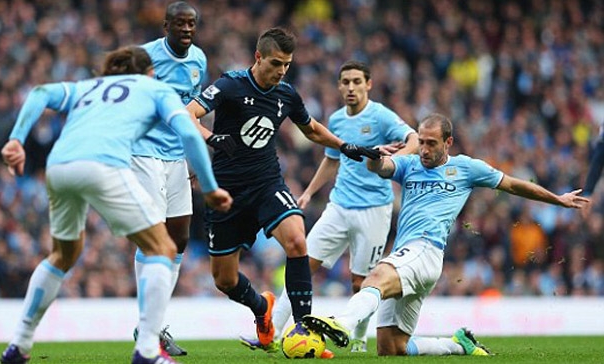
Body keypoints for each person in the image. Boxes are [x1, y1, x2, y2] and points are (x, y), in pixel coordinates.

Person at [0, 46, 232, 364]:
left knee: (62, 254)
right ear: (149, 72)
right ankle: (148, 350)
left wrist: (16, 138)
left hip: (60, 167)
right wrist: (210, 186)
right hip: (104, 165)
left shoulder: (88, 87)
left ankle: (19, 344)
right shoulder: (154, 88)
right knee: (162, 248)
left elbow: (40, 92)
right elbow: (190, 134)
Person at [302, 113, 589, 357]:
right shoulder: (409, 164)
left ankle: (342, 323)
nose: (423, 150)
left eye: (431, 143)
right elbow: (382, 167)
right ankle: (458, 345)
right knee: (392, 348)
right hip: (410, 256)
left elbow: (514, 185)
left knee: (375, 276)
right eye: (421, 142)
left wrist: (558, 199)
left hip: (427, 249)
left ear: (448, 142)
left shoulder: (466, 168)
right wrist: (374, 157)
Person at [185, 27, 380, 350]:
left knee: (297, 240)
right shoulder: (231, 84)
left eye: (287, 64)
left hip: (266, 183)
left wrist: (345, 146)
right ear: (258, 57)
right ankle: (262, 309)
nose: (281, 71)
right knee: (224, 280)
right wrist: (211, 138)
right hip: (226, 193)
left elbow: (312, 129)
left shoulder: (286, 94)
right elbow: (189, 114)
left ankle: (304, 327)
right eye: (276, 63)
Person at [244, 60, 418, 355]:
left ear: (368, 84)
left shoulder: (381, 116)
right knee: (301, 264)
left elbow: (412, 138)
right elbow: (331, 159)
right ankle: (270, 334)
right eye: (346, 82)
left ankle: (359, 341)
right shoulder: (336, 119)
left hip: (374, 209)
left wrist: (393, 162)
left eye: (356, 82)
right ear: (339, 86)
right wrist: (310, 192)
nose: (351, 87)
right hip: (339, 205)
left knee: (360, 282)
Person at [130, 1, 206, 356]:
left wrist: (195, 151)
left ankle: (155, 322)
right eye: (180, 23)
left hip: (177, 157)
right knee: (155, 238)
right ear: (165, 26)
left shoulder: (199, 62)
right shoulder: (144, 57)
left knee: (179, 237)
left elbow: (191, 112)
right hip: (145, 154)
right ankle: (150, 326)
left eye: (191, 24)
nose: (187, 29)